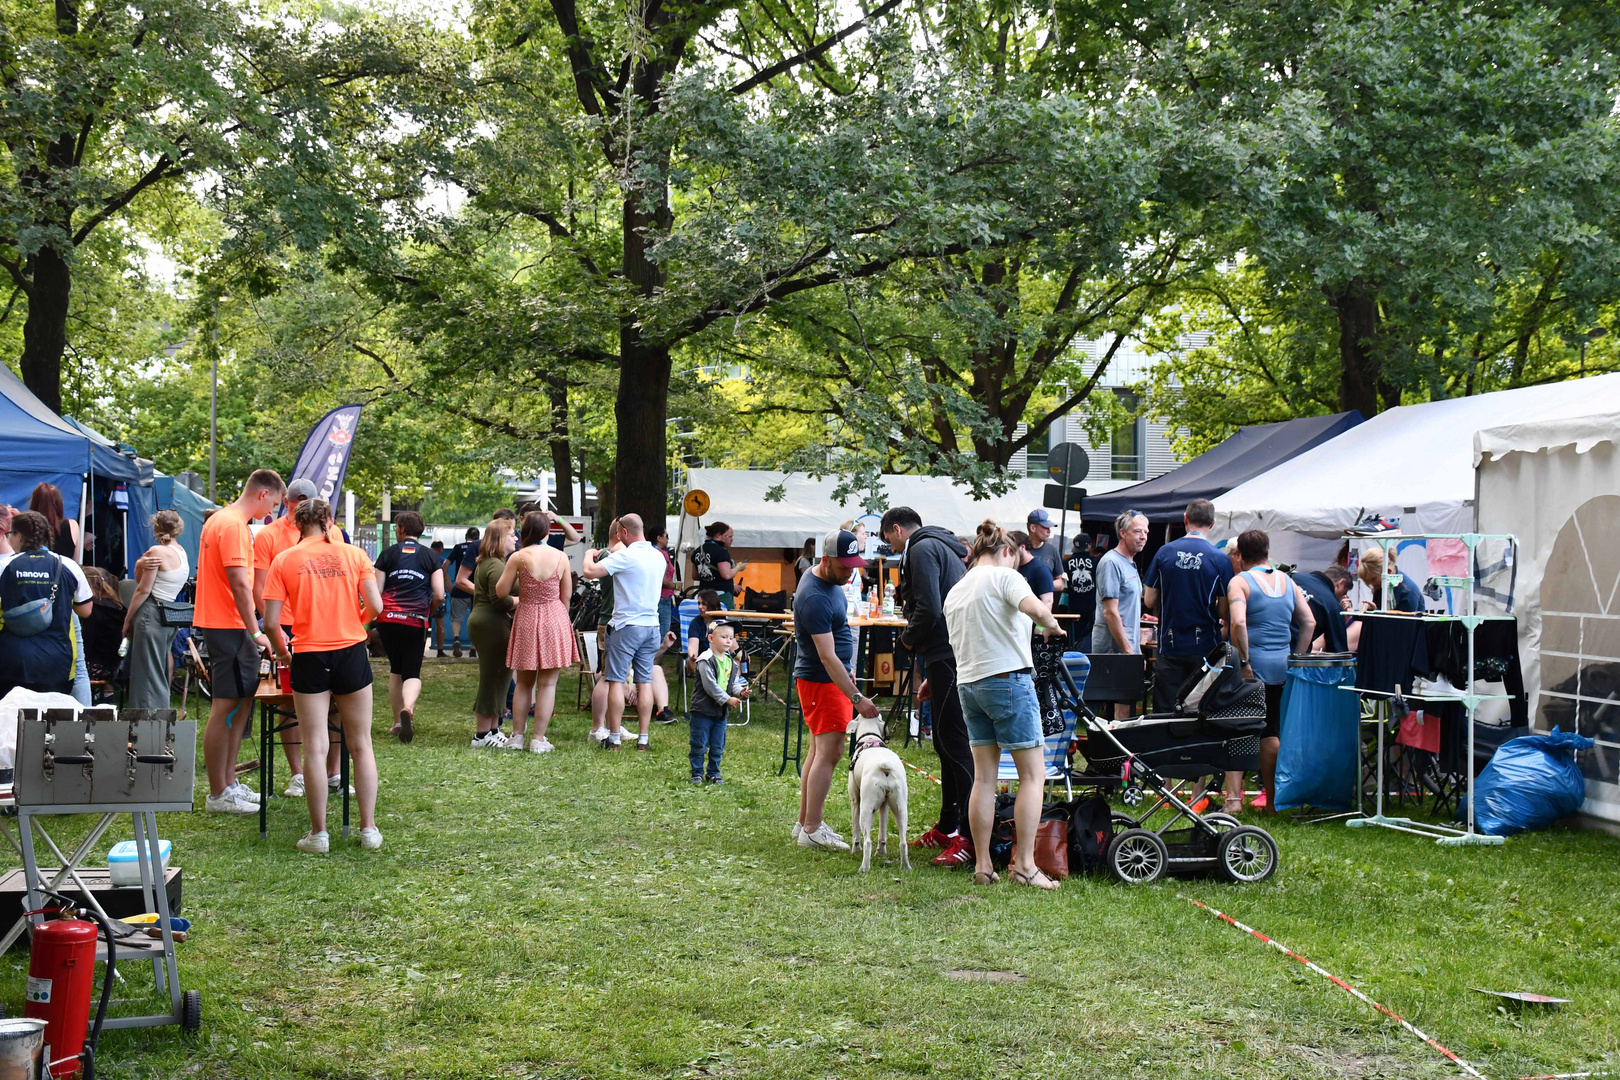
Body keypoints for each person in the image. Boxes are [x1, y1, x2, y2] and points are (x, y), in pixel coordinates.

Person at [944, 520, 1066, 890]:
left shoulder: (957, 590)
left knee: (984, 777)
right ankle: (1025, 866)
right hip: (1009, 680)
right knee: (1032, 775)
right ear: (1007, 552)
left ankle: (983, 866)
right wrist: (1051, 626)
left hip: (969, 684)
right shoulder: (1005, 577)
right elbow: (1037, 609)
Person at [263, 499, 384, 853]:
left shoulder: (284, 560)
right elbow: (375, 606)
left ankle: (318, 834)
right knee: (361, 744)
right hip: (350, 652)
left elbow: (271, 623)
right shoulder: (355, 555)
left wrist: (283, 653)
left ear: (298, 524)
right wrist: (354, 623)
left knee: (314, 747)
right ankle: (368, 830)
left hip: (309, 654)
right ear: (329, 521)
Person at [880, 506, 975, 868]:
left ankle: (967, 837)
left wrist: (905, 642)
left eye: (888, 537)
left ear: (898, 529)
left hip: (946, 652)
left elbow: (930, 609)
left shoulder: (920, 549)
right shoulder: (942, 546)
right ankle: (948, 826)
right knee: (943, 742)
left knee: (955, 744)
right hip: (947, 654)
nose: (888, 544)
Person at [194, 469, 284, 814]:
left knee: (242, 702)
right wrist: (257, 630)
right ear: (263, 494)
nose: (271, 513)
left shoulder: (225, 521)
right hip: (227, 625)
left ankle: (228, 782)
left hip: (230, 625)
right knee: (226, 706)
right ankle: (218, 793)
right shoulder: (232, 524)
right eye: (273, 504)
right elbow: (239, 583)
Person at [792, 527, 881, 852]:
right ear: (826, 560)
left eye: (854, 564)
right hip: (823, 682)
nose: (850, 571)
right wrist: (856, 698)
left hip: (829, 681)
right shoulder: (814, 596)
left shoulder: (828, 582)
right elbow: (827, 657)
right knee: (829, 754)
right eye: (844, 566)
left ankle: (806, 821)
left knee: (818, 752)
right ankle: (813, 829)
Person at [252, 477, 342, 794]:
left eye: (306, 504)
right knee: (287, 700)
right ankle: (297, 773)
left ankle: (333, 772)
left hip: (326, 625)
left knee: (335, 698)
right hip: (286, 626)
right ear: (286, 503)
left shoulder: (335, 534)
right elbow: (258, 589)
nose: (300, 509)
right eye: (295, 504)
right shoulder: (268, 536)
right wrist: (273, 632)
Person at [1227, 529, 1315, 815]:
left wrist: (1244, 660)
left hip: (1250, 669)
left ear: (1239, 556)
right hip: (1281, 668)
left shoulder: (1240, 582)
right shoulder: (1288, 581)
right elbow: (1309, 622)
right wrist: (1296, 657)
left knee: (1237, 730)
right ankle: (1273, 801)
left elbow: (1238, 623)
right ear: (1268, 552)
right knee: (1270, 731)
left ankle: (1234, 800)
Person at [582, 513, 668, 750]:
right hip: (652, 626)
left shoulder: (625, 557)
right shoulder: (659, 557)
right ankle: (643, 738)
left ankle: (615, 737)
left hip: (625, 626)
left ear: (624, 533)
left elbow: (589, 572)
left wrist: (589, 554)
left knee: (616, 681)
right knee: (645, 682)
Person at [496, 511, 577, 753]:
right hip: (555, 617)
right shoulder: (561, 557)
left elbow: (501, 591)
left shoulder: (518, 557)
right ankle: (538, 739)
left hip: (527, 617)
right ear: (547, 531)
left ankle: (518, 736)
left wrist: (524, 595)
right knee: (548, 684)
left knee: (523, 682)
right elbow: (567, 596)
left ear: (526, 530)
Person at [1142, 500, 1234, 712]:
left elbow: (1149, 600)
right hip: (1205, 643)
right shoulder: (1220, 558)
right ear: (1212, 523)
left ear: (1185, 518)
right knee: (1201, 703)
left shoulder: (1164, 552)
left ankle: (1163, 743)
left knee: (1166, 705)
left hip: (1170, 641)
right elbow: (1223, 610)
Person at [0, 511, 93, 698]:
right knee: (51, 721)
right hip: (57, 660)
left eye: (10, 535)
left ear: (19, 535)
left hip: (12, 660)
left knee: (10, 720)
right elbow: (85, 610)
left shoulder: (5, 565)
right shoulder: (67, 565)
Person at [373, 511, 444, 744]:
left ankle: (397, 721)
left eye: (396, 527)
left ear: (402, 529)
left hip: (389, 619)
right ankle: (408, 710)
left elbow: (377, 591)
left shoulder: (387, 554)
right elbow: (440, 595)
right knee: (412, 671)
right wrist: (429, 612)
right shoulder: (431, 557)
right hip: (415, 620)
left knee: (396, 669)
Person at [123, 510, 190, 709]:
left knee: (146, 675)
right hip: (168, 614)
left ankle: (148, 722)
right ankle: (161, 719)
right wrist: (139, 564)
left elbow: (142, 588)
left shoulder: (157, 552)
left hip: (151, 612)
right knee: (158, 670)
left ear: (156, 528)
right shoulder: (181, 552)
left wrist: (127, 618)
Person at [1092, 510, 1149, 720]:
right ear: (1123, 533)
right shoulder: (1111, 563)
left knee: (1126, 705)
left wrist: (1136, 649)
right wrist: (1129, 652)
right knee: (1119, 708)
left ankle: (1121, 750)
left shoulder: (1130, 563)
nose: (1143, 536)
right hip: (1114, 649)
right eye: (1138, 531)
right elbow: (1110, 612)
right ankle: (1114, 751)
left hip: (1128, 648)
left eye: (1146, 531)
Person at [468, 520, 517, 747]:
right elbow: (501, 601)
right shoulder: (496, 566)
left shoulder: (490, 563)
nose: (515, 539)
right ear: (500, 540)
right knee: (493, 678)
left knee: (500, 677)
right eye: (512, 535)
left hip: (487, 623)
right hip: (492, 625)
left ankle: (493, 729)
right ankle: (481, 735)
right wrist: (521, 599)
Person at [688, 620, 748, 784]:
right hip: (702, 710)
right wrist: (727, 699)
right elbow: (710, 686)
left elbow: (733, 683)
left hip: (720, 713)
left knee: (717, 745)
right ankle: (697, 773)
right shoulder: (705, 659)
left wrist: (740, 691)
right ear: (711, 638)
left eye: (731, 637)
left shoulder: (731, 662)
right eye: (724, 637)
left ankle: (714, 773)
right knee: (699, 743)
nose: (729, 641)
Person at [80, 566, 125, 689]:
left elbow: (87, 642)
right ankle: (107, 693)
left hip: (93, 667)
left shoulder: (93, 610)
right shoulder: (117, 606)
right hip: (112, 666)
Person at [1296, 564, 1353, 653]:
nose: (1342, 598)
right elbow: (1338, 653)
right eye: (1343, 593)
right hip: (1293, 651)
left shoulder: (1293, 577)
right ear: (1340, 583)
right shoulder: (1332, 605)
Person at [447, 527, 480, 658]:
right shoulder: (480, 547)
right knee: (476, 620)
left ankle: (456, 639)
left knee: (456, 619)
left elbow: (445, 566)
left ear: (466, 536)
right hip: (476, 589)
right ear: (478, 537)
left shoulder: (458, 547)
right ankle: (473, 648)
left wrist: (449, 587)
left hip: (460, 588)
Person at [693, 522, 741, 608]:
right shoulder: (721, 552)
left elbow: (695, 576)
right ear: (718, 535)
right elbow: (726, 575)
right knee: (724, 619)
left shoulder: (697, 551)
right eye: (728, 536)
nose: (731, 539)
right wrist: (738, 567)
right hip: (721, 596)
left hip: (703, 594)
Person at [29, 482, 81, 560]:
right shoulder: (72, 525)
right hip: (63, 571)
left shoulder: (27, 526)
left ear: (34, 502)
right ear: (59, 503)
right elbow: (76, 561)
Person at [1062, 534, 1098, 642]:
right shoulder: (1096, 561)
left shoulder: (1065, 562)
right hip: (1092, 606)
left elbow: (1064, 584)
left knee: (1074, 639)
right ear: (1088, 546)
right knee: (1091, 638)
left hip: (1074, 607)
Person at [1023, 509, 1068, 593]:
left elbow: (1061, 583)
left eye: (1049, 527)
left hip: (1045, 604)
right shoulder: (1019, 549)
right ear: (1032, 528)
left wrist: (1043, 585)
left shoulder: (1052, 550)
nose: (1049, 531)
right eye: (1045, 527)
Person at [1009, 530, 1055, 604]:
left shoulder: (1041, 570)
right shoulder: (1011, 567)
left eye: (1012, 549)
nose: (1009, 553)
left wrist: (1040, 615)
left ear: (1022, 547)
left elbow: (1048, 601)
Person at [686, 589, 724, 669]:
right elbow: (693, 645)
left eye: (704, 604)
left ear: (712, 605)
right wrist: (693, 655)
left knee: (739, 660)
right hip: (702, 660)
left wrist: (741, 655)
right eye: (699, 603)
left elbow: (733, 647)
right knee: (690, 661)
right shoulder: (696, 623)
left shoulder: (722, 622)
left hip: (722, 660)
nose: (700, 607)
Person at [653, 525, 677, 638]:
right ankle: (658, 654)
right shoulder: (662, 554)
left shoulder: (649, 552)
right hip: (663, 596)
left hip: (651, 596)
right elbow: (662, 579)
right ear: (659, 538)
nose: (668, 539)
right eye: (666, 536)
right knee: (663, 632)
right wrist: (675, 586)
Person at [428, 539, 447, 654]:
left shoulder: (424, 557)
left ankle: (420, 650)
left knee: (423, 624)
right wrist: (452, 591)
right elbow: (445, 578)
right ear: (441, 549)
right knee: (440, 624)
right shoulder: (442, 561)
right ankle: (440, 650)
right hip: (438, 593)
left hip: (424, 594)